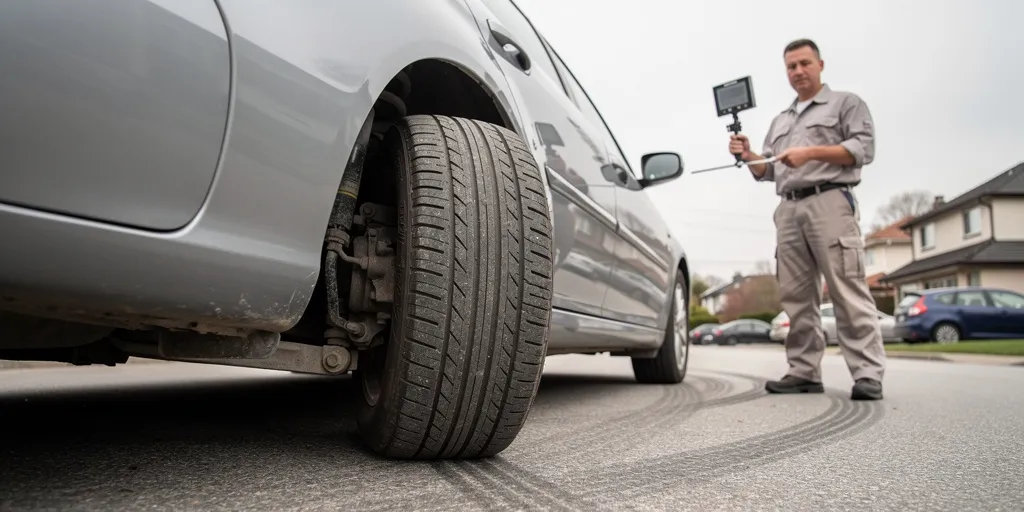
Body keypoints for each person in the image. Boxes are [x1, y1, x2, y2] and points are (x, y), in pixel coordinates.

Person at [728, 38, 886, 400]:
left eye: (804, 64)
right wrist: (748, 152)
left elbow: (864, 150)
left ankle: (867, 374)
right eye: (791, 67)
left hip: (829, 201)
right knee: (796, 295)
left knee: (847, 289)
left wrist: (810, 153)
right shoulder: (780, 120)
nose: (798, 71)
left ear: (820, 64)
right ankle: (803, 371)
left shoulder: (846, 103)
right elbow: (765, 170)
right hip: (788, 208)